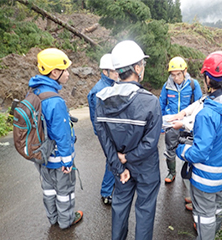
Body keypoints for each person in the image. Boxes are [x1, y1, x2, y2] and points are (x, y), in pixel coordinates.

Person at [176, 51, 222, 240]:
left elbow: (199, 153)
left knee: (204, 218)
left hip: (205, 179)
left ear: (208, 80)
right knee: (217, 211)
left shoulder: (207, 114)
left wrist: (182, 150)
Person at [94, 40, 162, 240]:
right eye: (143, 64)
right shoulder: (150, 101)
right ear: (137, 68)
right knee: (145, 210)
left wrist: (118, 164)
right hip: (146, 167)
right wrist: (128, 157)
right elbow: (150, 143)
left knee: (120, 206)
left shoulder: (102, 99)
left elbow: (103, 138)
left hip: (120, 169)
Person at [29, 48, 83, 229]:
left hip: (41, 155)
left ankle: (53, 219)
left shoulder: (34, 92)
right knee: (65, 191)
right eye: (65, 69)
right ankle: (66, 220)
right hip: (58, 158)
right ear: (54, 72)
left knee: (49, 189)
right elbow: (62, 135)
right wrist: (67, 161)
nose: (68, 73)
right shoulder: (55, 101)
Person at [159, 56, 202, 183]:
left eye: (178, 74)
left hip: (187, 124)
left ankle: (188, 173)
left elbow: (199, 105)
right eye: (173, 75)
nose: (176, 78)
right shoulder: (166, 86)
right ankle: (171, 172)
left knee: (189, 148)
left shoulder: (193, 85)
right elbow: (161, 104)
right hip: (171, 123)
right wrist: (160, 124)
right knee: (170, 149)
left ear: (185, 71)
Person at [87, 53, 119, 205]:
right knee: (112, 160)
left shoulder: (111, 86)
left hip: (112, 131)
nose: (117, 74)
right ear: (105, 72)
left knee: (114, 159)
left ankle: (112, 186)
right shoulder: (99, 90)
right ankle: (106, 192)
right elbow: (97, 119)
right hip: (106, 132)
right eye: (114, 71)